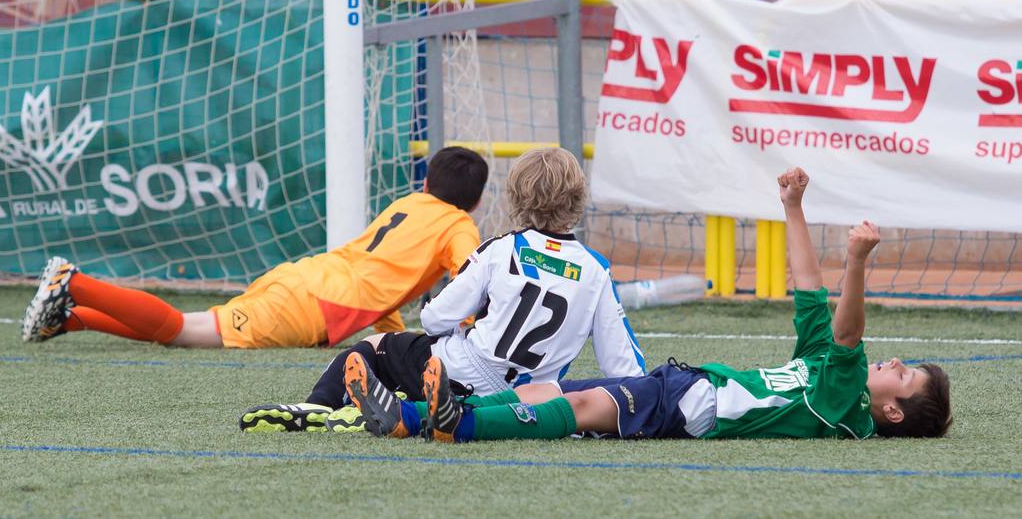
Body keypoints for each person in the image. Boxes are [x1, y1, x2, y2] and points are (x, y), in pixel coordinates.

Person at [388, 167, 951, 444]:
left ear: (892, 411)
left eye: (903, 376)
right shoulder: (824, 373)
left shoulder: (844, 402)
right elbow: (809, 292)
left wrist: (857, 260)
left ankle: (458, 426)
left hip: (700, 405)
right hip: (692, 389)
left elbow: (850, 333)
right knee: (554, 393)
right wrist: (793, 206)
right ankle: (412, 418)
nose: (893, 363)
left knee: (580, 408)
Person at [242, 146, 643, 435]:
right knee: (474, 399)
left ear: (516, 198)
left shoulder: (501, 249)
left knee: (378, 346)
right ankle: (404, 412)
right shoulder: (596, 271)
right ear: (578, 199)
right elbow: (624, 368)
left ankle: (320, 406)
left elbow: (435, 317)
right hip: (526, 397)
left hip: (459, 367)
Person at [20, 146, 490, 349]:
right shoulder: (458, 227)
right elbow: (469, 282)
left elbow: (383, 279)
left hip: (302, 279)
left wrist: (384, 338)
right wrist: (472, 337)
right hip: (313, 307)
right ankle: (74, 283)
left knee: (183, 332)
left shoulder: (410, 202)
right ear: (478, 198)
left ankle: (68, 321)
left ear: (426, 181)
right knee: (183, 330)